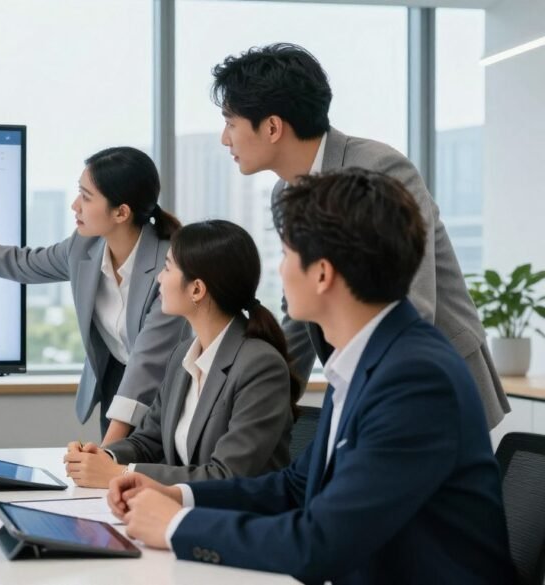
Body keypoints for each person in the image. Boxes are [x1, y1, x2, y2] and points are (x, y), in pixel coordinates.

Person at [107, 169, 515, 584]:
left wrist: (176, 526)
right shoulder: (368, 358)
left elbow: (319, 545)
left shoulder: (415, 378)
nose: (280, 273)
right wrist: (176, 495)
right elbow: (296, 487)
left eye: (286, 255)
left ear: (322, 273)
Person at [210, 42, 509, 428]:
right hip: (365, 385)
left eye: (230, 122)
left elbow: (412, 303)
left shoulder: (377, 169)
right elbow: (299, 313)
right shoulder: (284, 192)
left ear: (271, 127)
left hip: (428, 382)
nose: (224, 138)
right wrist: (270, 401)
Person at [0, 146, 189, 442]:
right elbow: (23, 263)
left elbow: (147, 366)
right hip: (116, 384)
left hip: (169, 394)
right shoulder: (84, 247)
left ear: (121, 212)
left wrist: (108, 451)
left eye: (86, 197)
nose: (75, 205)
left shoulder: (170, 266)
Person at [63, 220, 298, 488]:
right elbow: (148, 440)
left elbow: (227, 476)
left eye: (167, 268)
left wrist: (120, 475)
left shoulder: (259, 365)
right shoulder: (183, 355)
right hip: (187, 514)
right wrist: (103, 457)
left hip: (241, 520)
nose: (158, 278)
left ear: (196, 289)